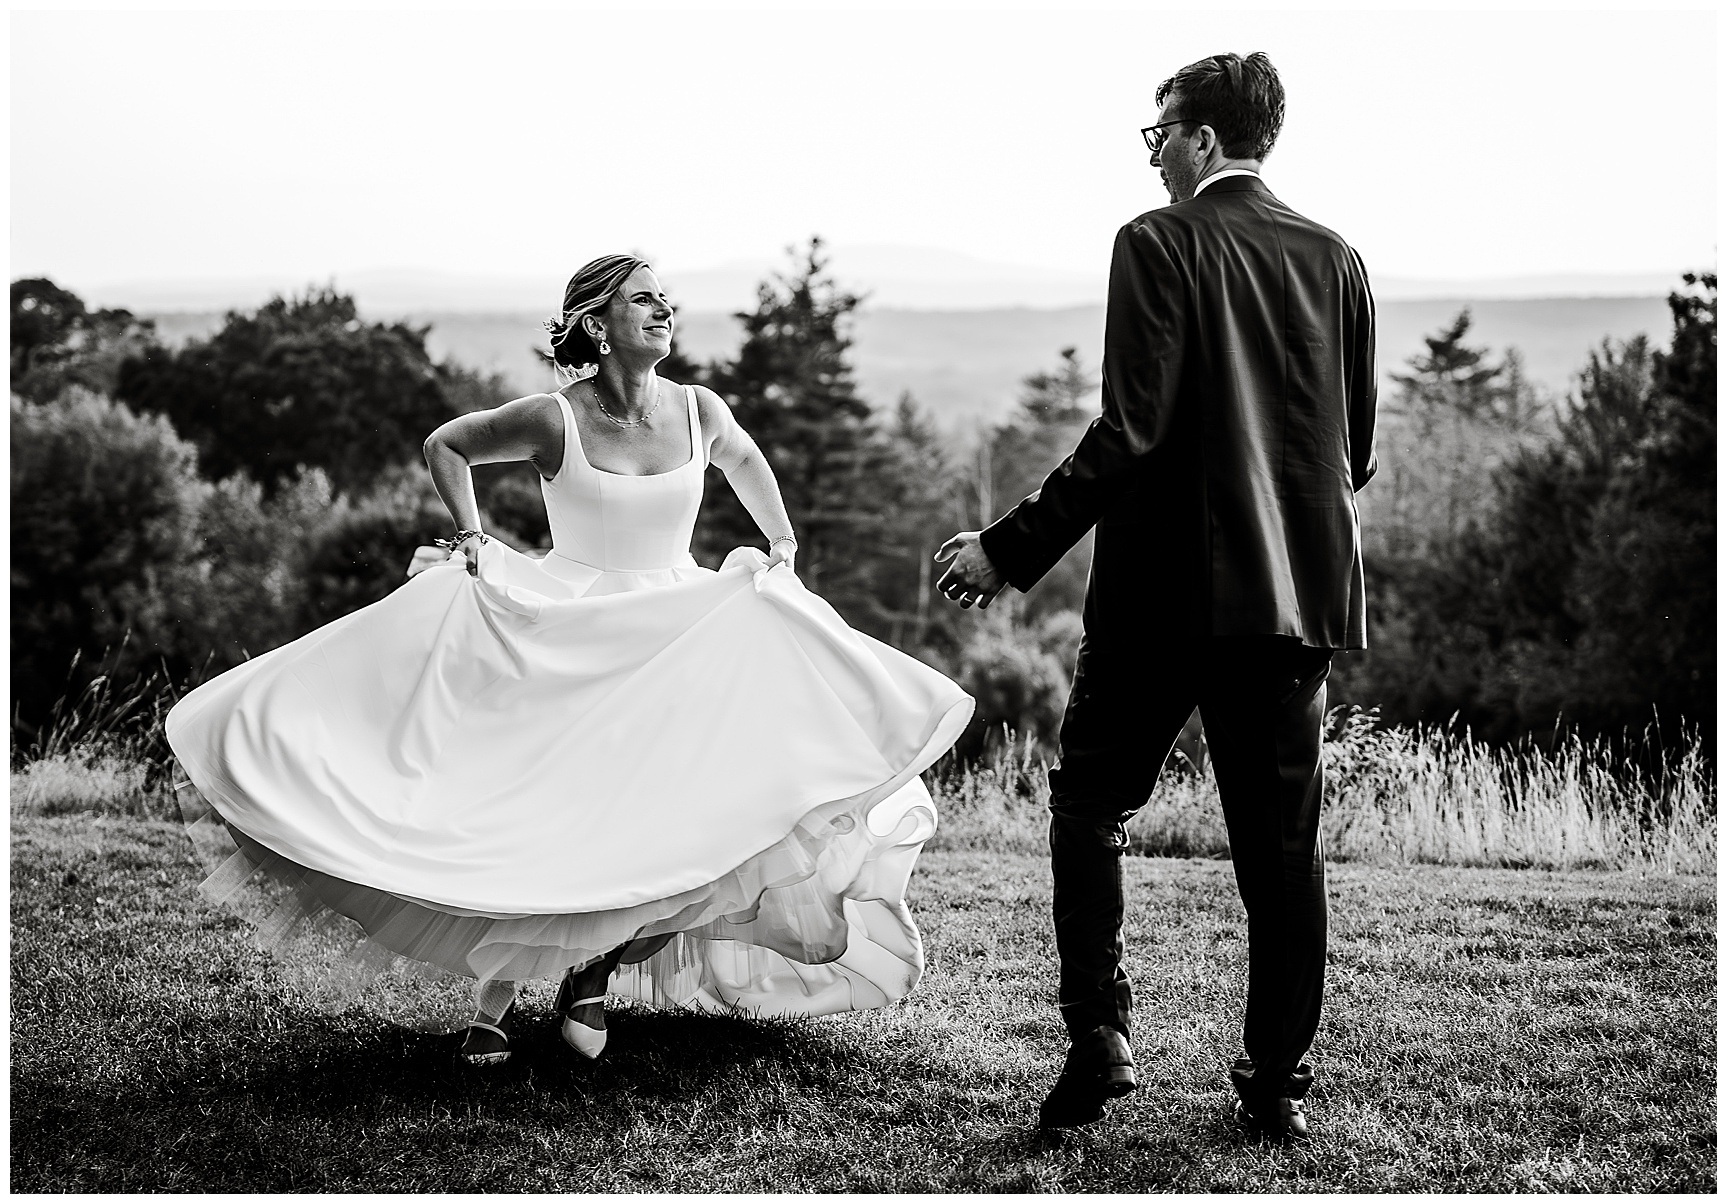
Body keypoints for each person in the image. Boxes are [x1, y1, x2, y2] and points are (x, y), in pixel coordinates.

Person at [167, 254, 973, 1066]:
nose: (665, 309)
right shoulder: (554, 417)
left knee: (673, 813)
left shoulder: (700, 409)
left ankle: (591, 975)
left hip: (678, 630)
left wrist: (782, 544)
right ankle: (495, 995)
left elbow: (746, 463)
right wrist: (477, 540)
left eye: (666, 299)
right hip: (573, 627)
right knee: (552, 810)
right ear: (597, 323)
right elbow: (446, 445)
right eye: (644, 300)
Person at [934, 52, 1378, 1138]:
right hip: (1289, 605)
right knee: (1282, 854)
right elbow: (1353, 450)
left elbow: (1129, 432)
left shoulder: (1157, 239)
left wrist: (1008, 548)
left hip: (1163, 599)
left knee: (1090, 802)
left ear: (1204, 141)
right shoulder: (1341, 259)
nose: (1152, 151)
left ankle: (1101, 1032)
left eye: (1159, 131)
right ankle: (1275, 1086)